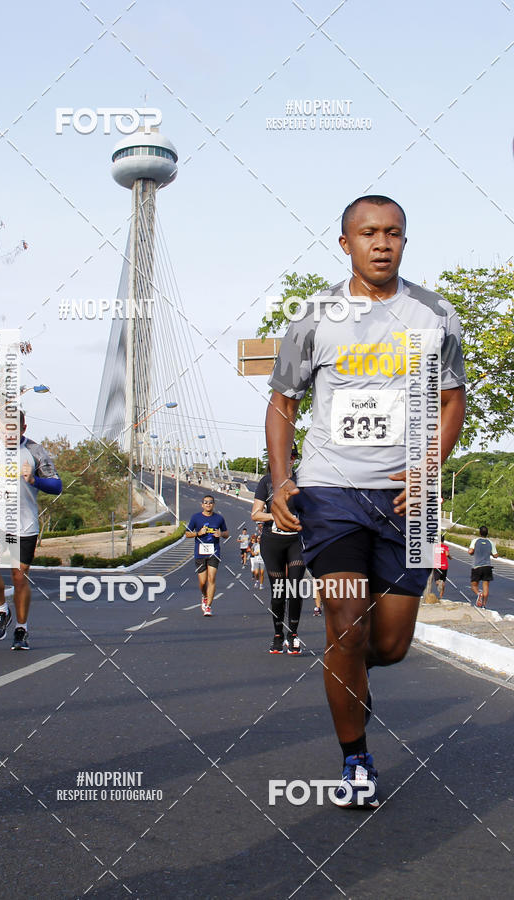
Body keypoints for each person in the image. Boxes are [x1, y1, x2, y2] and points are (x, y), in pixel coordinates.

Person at [266, 195, 466, 808]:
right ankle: (356, 759)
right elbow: (282, 403)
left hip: (411, 498)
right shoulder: (314, 317)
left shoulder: (435, 313)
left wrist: (431, 465)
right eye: (369, 233)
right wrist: (280, 480)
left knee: (390, 647)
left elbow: (454, 400)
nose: (382, 243)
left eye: (394, 233)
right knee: (346, 625)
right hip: (332, 491)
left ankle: (347, 674)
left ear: (405, 241)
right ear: (345, 242)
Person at [0, 411, 62, 650]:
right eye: (4, 429)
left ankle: (21, 628)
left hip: (23, 523)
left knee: (19, 577)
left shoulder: (35, 451)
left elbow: (57, 485)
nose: (8, 434)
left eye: (14, 429)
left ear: (23, 428)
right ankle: (2, 609)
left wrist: (34, 480)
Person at [252, 444, 306, 654]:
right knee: (278, 590)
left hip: (296, 541)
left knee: (294, 587)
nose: (289, 459)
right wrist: (277, 516)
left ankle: (293, 634)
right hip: (272, 540)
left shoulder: (303, 481)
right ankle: (277, 634)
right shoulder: (266, 482)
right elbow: (256, 514)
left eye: (292, 456)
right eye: (284, 456)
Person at [185, 495, 228, 616]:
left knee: (212, 578)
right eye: (206, 502)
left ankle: (208, 606)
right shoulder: (196, 518)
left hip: (214, 552)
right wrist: (198, 533)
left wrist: (221, 533)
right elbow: (187, 533)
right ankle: (204, 596)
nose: (208, 504)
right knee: (203, 582)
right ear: (202, 505)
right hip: (200, 552)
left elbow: (226, 533)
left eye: (210, 502)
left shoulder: (219, 518)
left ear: (214, 504)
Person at [468, 525, 498, 608]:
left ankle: (479, 594)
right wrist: (490, 553)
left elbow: (470, 551)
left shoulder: (475, 541)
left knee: (474, 585)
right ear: (487, 533)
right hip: (487, 567)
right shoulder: (491, 543)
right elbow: (496, 555)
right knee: (486, 586)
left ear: (479, 533)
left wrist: (473, 552)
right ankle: (484, 605)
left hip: (477, 566)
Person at [433, 533, 451, 599]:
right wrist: (450, 557)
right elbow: (446, 554)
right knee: (443, 580)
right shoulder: (445, 547)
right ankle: (441, 596)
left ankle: (439, 583)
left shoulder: (435, 546)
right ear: (444, 540)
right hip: (444, 566)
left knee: (437, 580)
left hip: (437, 565)